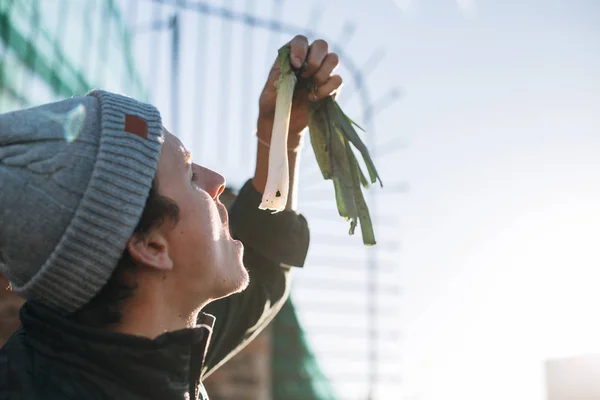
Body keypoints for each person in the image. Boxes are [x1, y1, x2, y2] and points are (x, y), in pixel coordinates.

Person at [0, 35, 342, 400]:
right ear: (150, 245)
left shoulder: (131, 356)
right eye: (190, 176)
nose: (218, 182)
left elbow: (263, 263)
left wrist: (282, 135)